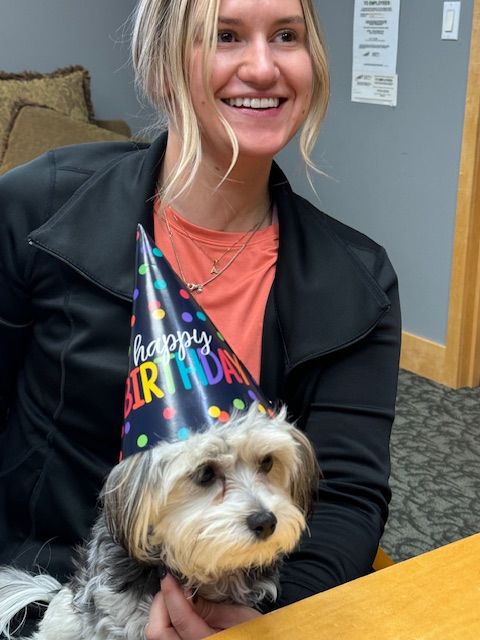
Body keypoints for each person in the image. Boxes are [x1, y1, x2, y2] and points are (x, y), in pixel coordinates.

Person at [0, 0, 401, 638]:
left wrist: (253, 622)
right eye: (226, 36)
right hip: (32, 592)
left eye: (288, 36)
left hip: (250, 592)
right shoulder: (35, 208)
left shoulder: (359, 281)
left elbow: (348, 496)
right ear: (162, 64)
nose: (263, 67)